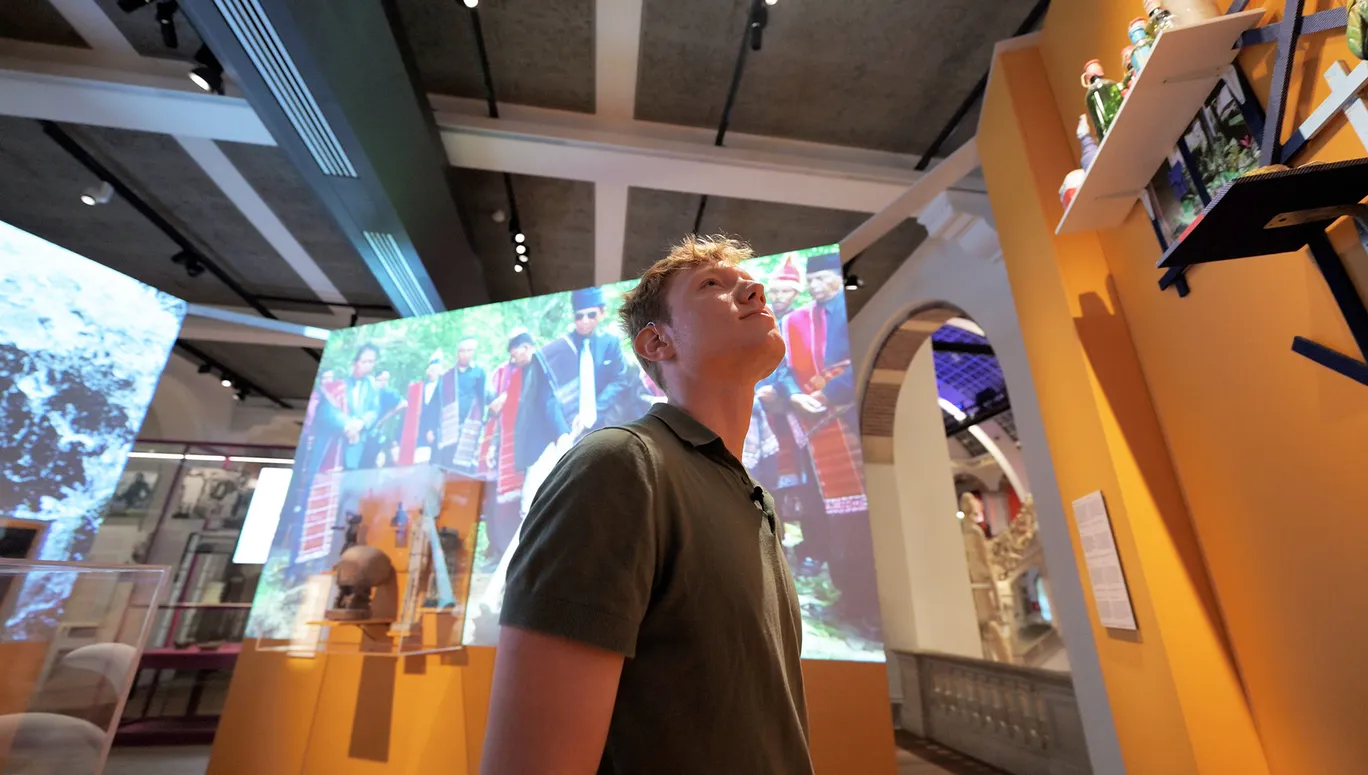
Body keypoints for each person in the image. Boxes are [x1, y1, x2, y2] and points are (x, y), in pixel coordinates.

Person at [481, 236, 813, 775]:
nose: (755, 290)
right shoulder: (620, 465)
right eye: (712, 285)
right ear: (657, 342)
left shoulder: (756, 498)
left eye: (749, 281)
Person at [779, 251, 877, 628]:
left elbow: (865, 358)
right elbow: (784, 370)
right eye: (811, 280)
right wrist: (794, 396)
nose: (815, 286)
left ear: (839, 277)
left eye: (822, 279)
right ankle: (847, 601)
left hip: (850, 423)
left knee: (860, 518)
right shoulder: (797, 321)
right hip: (812, 431)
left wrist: (827, 394)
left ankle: (870, 611)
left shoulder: (856, 311)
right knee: (825, 514)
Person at [481, 329, 570, 559]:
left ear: (527, 348)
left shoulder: (540, 365)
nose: (514, 359)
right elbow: (508, 419)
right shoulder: (520, 375)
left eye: (516, 354)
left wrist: (562, 433)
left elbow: (550, 401)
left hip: (544, 445)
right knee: (529, 505)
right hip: (530, 450)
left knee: (534, 503)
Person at [541, 286, 635, 435]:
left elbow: (619, 380)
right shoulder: (562, 349)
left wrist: (592, 411)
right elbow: (551, 395)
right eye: (579, 316)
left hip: (607, 420)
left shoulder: (610, 343)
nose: (585, 321)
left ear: (602, 312)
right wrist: (562, 432)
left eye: (591, 315)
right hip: (570, 428)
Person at [318, 343, 382, 470]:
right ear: (355, 363)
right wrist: (348, 425)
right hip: (335, 442)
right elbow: (328, 410)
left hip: (360, 443)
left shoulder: (373, 386)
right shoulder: (339, 383)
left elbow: (374, 411)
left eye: (371, 361)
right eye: (365, 361)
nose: (369, 365)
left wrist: (361, 423)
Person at [441, 338, 487, 472]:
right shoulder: (448, 375)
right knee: (448, 460)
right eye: (462, 351)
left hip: (469, 422)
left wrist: (480, 420)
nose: (465, 354)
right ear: (457, 353)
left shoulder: (478, 372)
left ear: (473, 353)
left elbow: (481, 398)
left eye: (468, 351)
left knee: (464, 461)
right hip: (450, 424)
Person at [417, 351, 446, 463]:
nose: (430, 373)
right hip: (420, 429)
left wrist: (432, 429)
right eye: (429, 370)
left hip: (436, 430)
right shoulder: (420, 387)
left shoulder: (444, 388)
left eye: (434, 370)